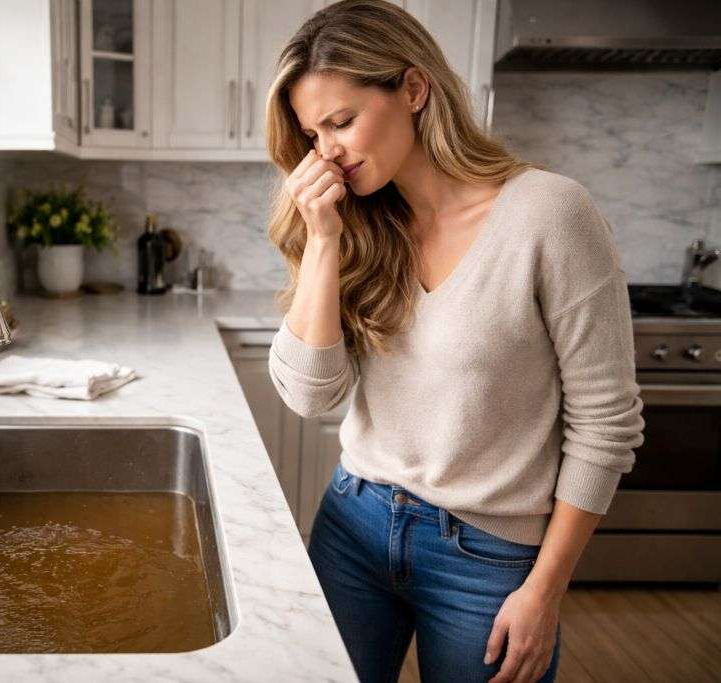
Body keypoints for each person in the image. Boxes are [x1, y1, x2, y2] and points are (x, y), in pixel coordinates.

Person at [264, 1, 645, 682]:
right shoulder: (356, 224)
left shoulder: (550, 213)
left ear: (414, 88)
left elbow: (606, 424)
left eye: (342, 122)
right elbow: (309, 393)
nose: (328, 153)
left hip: (491, 553)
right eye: (314, 135)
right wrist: (322, 243)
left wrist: (544, 588)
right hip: (353, 522)